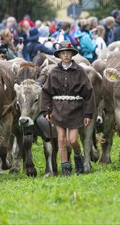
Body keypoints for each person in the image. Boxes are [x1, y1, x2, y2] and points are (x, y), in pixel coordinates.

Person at [40, 42, 95, 176]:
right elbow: (46, 92)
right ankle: (65, 168)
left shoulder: (79, 71)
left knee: (73, 140)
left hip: (75, 109)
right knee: (61, 139)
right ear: (59, 55)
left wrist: (88, 113)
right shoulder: (54, 72)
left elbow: (88, 93)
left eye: (68, 53)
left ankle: (78, 157)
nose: (65, 55)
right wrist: (46, 110)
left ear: (72, 54)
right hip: (58, 110)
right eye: (63, 53)